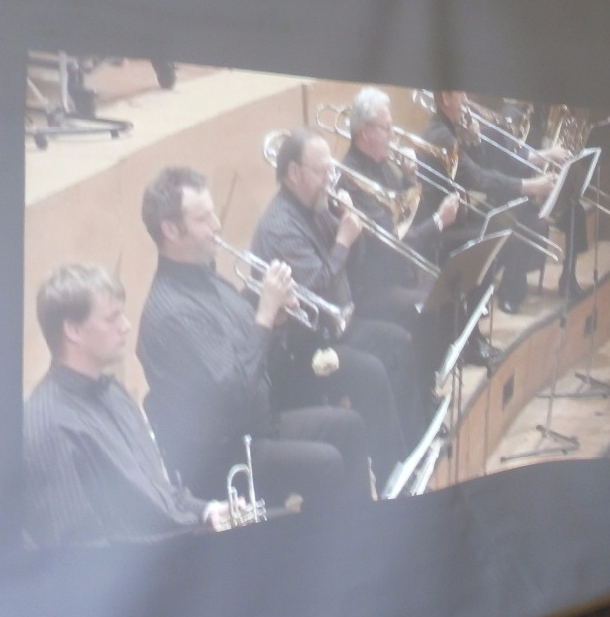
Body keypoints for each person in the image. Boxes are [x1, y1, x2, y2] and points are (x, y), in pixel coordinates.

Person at [137, 166, 372, 508]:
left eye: (213, 213)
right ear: (170, 230)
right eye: (203, 219)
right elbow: (233, 393)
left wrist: (276, 320)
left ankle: (366, 528)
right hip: (226, 453)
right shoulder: (173, 314)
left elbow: (253, 353)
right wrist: (264, 316)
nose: (217, 225)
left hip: (258, 424)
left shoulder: (209, 279)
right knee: (326, 463)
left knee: (349, 427)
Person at [23, 262, 235, 548]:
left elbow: (161, 494)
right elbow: (79, 551)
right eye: (112, 318)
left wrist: (208, 511)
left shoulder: (114, 393)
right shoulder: (48, 423)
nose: (126, 326)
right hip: (156, 565)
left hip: (180, 546)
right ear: (73, 330)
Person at [252, 128, 420, 475]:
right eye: (322, 171)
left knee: (400, 342)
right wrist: (342, 240)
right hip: (303, 348)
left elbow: (353, 266)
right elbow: (313, 292)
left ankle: (412, 447)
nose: (330, 179)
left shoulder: (315, 207)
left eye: (331, 169)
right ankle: (391, 470)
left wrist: (349, 224)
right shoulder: (280, 226)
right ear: (294, 173)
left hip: (336, 328)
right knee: (371, 373)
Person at [415, 90, 573, 314]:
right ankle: (474, 310)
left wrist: (474, 140)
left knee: (506, 230)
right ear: (447, 98)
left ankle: (476, 310)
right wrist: (530, 185)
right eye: (460, 94)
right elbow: (478, 179)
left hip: (457, 217)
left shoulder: (450, 129)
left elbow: (479, 169)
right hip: (440, 226)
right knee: (498, 238)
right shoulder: (440, 135)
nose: (466, 100)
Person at [341, 86, 460, 332]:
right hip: (375, 284)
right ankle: (432, 357)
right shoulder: (351, 179)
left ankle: (460, 349)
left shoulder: (383, 165)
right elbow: (392, 240)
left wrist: (408, 179)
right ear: (366, 132)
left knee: (455, 282)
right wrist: (439, 221)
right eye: (387, 128)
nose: (393, 134)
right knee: (435, 300)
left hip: (399, 271)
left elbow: (408, 218)